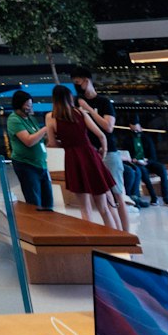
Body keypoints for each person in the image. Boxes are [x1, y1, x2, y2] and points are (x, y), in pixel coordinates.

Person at [45, 83, 119, 228]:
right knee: (104, 208)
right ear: (69, 98)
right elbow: (102, 136)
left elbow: (52, 143)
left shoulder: (50, 117)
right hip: (91, 157)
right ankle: (115, 243)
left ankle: (91, 245)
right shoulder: (80, 113)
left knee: (85, 209)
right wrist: (102, 153)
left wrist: (67, 145)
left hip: (73, 160)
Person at [77, 90, 134, 227]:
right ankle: (117, 232)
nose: (78, 85)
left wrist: (88, 109)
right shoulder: (77, 103)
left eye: (79, 81)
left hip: (109, 153)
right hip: (92, 155)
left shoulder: (103, 102)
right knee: (107, 197)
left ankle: (126, 234)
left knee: (117, 194)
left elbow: (108, 128)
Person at [6, 89, 52, 209]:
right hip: (26, 165)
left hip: (41, 164)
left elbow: (39, 138)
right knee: (34, 201)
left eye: (31, 105)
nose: (30, 108)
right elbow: (29, 141)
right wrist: (46, 128)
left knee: (48, 200)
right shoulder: (14, 119)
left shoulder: (30, 118)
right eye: (27, 105)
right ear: (19, 105)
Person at [126, 121, 168, 205]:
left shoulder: (147, 138)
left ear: (141, 128)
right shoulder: (128, 140)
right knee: (143, 171)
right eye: (133, 130)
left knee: (162, 168)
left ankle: (166, 197)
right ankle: (153, 197)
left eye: (137, 130)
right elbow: (127, 154)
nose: (135, 132)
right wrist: (134, 160)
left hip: (148, 162)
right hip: (137, 164)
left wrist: (146, 161)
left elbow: (153, 156)